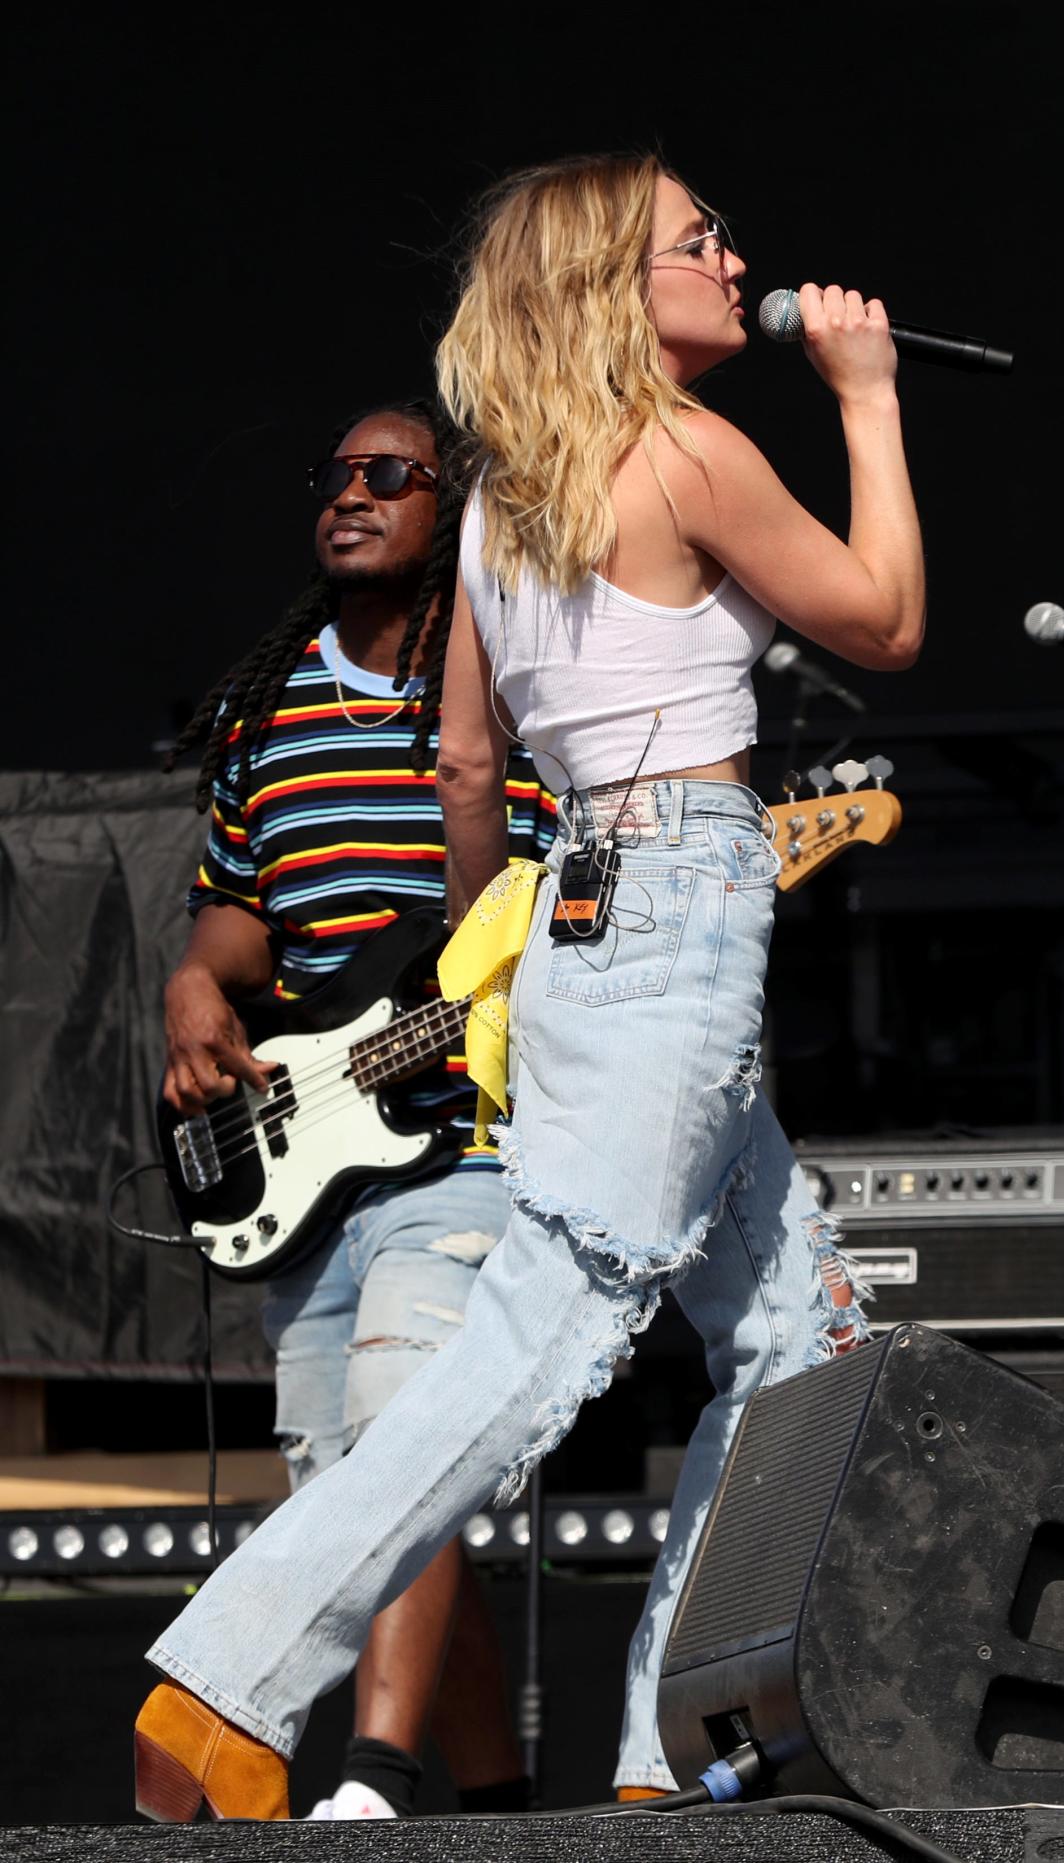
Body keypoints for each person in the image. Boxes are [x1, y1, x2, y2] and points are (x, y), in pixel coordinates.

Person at [135, 153, 924, 1821]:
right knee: (546, 1326)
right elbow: (888, 620)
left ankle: (672, 1747)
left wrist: (515, 944)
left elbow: (468, 762)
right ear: (602, 288)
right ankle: (227, 1678)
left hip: (576, 918)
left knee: (800, 1342)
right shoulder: (691, 449)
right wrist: (865, 396)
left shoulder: (505, 498)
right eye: (692, 240)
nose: (734, 256)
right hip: (676, 895)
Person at [158, 395, 552, 1819]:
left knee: (405, 1440)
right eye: (335, 473)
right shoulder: (264, 708)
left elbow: (570, 898)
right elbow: (234, 915)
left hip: (468, 1138)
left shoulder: (505, 680)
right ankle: (503, 1807)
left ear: (453, 508)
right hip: (315, 1151)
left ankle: (372, 1780)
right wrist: (194, 994)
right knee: (361, 1493)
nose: (353, 493)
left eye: (393, 475)